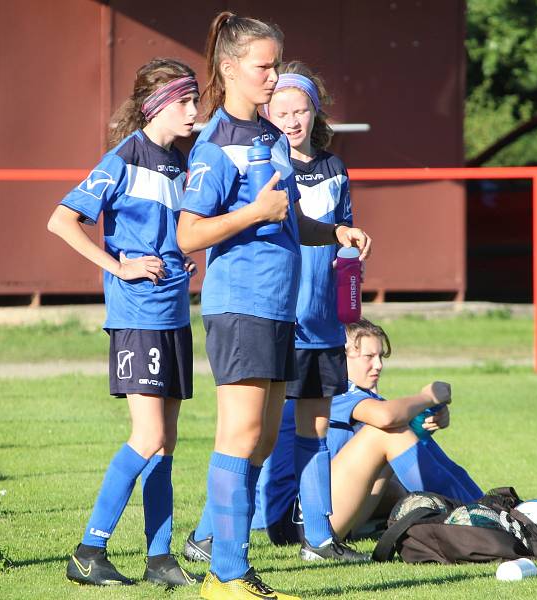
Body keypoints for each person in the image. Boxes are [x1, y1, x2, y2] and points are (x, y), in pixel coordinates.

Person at [176, 12, 370, 600]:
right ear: (230, 69)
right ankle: (224, 574)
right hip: (241, 307)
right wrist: (253, 215)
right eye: (264, 66)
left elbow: (288, 217)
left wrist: (334, 233)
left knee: (261, 439)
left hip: (280, 310)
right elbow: (188, 235)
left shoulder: (266, 137)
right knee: (239, 434)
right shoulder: (216, 145)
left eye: (277, 63)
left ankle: (230, 564)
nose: (273, 76)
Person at [47, 58, 202, 587]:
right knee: (149, 433)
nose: (194, 110)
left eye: (194, 99)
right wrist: (120, 266)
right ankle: (89, 550)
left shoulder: (180, 163)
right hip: (137, 316)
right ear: (156, 103)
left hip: (175, 314)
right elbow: (61, 220)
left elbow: (176, 231)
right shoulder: (121, 158)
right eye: (184, 101)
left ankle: (159, 558)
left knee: (167, 443)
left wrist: (184, 254)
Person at [253, 318, 484, 543]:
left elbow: (401, 434)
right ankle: (473, 518)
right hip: (296, 523)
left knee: (397, 489)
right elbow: (387, 418)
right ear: (340, 357)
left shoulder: (360, 398)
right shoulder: (327, 390)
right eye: (369, 357)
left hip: (322, 506)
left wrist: (427, 422)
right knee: (386, 431)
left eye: (381, 356)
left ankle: (482, 506)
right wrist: (427, 397)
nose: (379, 365)